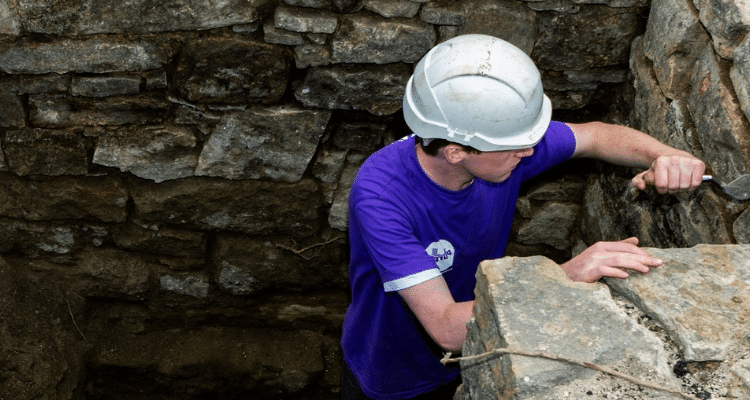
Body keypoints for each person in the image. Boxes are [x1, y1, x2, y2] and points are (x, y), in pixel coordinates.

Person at [340, 34, 705, 400]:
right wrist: (560, 277)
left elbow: (595, 135)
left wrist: (666, 157)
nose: (530, 149)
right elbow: (447, 327)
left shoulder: (496, 151)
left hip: (477, 348)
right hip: (391, 370)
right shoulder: (381, 199)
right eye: (517, 144)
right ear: (455, 152)